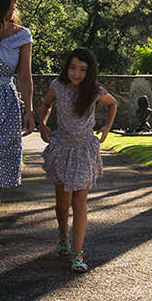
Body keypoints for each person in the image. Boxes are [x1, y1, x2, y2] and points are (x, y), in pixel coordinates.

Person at [38, 47, 117, 274]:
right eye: (72, 68)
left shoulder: (95, 90)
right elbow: (46, 105)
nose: (76, 73)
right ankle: (63, 237)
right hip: (62, 148)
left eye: (82, 69)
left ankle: (77, 254)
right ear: (66, 68)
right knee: (63, 205)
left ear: (89, 71)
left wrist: (107, 126)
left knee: (80, 201)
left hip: (84, 150)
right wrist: (42, 124)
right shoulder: (57, 86)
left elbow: (112, 103)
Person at [0, 0, 35, 271]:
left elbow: (24, 76)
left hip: (5, 109)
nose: (15, 5)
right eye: (13, 0)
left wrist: (30, 110)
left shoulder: (22, 35)